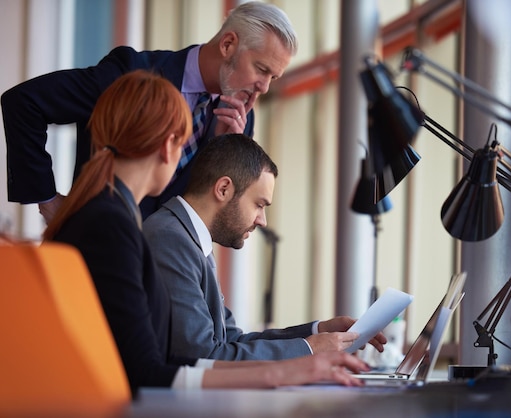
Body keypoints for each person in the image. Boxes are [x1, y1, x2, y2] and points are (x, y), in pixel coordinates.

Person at [43, 70, 368, 394]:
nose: (263, 220)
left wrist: (311, 342)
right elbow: (148, 370)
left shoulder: (109, 216)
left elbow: (216, 343)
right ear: (171, 145)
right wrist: (282, 372)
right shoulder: (117, 226)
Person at [2, 1, 297, 222]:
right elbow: (25, 103)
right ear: (228, 44)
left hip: (160, 285)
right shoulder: (132, 73)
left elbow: (209, 216)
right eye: (261, 69)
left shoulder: (242, 121)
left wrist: (223, 151)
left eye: (274, 77)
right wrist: (47, 199)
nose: (265, 88)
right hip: (90, 258)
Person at [143, 134, 387, 361]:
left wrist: (319, 331)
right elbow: (204, 355)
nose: (263, 220)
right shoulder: (171, 239)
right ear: (223, 189)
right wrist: (311, 349)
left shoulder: (190, 238)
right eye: (259, 204)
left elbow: (232, 341)